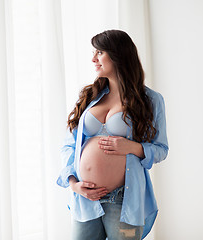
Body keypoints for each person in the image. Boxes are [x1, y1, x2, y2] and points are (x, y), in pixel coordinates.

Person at [56, 29, 168, 240]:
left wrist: (133, 147)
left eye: (99, 52)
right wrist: (73, 184)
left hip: (123, 198)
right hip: (86, 198)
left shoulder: (150, 100)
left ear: (118, 55)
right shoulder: (90, 96)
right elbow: (69, 146)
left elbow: (161, 149)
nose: (93, 59)